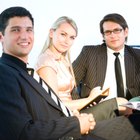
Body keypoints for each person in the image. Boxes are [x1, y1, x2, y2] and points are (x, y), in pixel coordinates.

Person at [0, 6, 140, 140]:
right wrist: (79, 118)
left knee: (130, 113)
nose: (24, 36)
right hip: (69, 125)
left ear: (125, 32)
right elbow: (29, 127)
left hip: (72, 119)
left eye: (29, 30)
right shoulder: (18, 70)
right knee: (125, 109)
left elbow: (51, 105)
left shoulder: (28, 71)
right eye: (16, 30)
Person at [35, 16, 128, 121]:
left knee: (125, 105)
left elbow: (71, 94)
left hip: (73, 111)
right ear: (51, 33)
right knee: (122, 103)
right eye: (63, 34)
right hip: (63, 117)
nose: (67, 41)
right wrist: (90, 99)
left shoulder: (63, 60)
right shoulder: (46, 62)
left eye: (72, 37)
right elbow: (54, 106)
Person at [73, 13, 140, 101]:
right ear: (103, 36)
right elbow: (70, 81)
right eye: (108, 32)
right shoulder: (89, 53)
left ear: (126, 32)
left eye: (117, 30)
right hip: (97, 109)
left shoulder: (137, 56)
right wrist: (78, 105)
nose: (112, 35)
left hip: (130, 110)